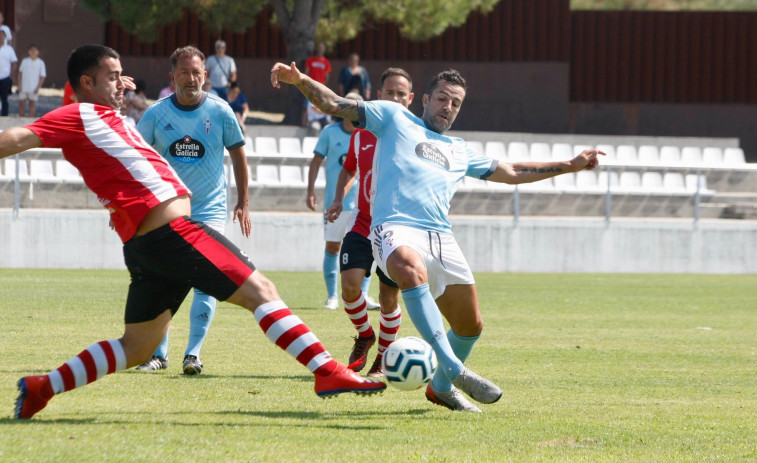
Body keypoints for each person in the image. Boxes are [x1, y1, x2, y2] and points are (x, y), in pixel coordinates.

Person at [8, 44, 385, 420]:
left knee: (138, 347)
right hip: (172, 233)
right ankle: (327, 372)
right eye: (112, 77)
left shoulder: (105, 114)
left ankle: (42, 387)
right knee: (262, 292)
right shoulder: (77, 114)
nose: (123, 83)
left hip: (149, 244)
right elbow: (18, 137)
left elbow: (104, 110)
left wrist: (113, 85)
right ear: (87, 82)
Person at [271, 62, 603, 412]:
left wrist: (570, 165)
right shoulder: (393, 118)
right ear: (425, 99)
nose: (448, 106)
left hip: (441, 237)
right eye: (442, 98)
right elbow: (335, 104)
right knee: (410, 271)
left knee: (470, 325)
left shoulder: (459, 150)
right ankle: (454, 368)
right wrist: (300, 80)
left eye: (455, 103)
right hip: (392, 228)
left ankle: (440, 388)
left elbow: (511, 172)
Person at [134, 45, 251, 375]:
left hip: (210, 211)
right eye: (183, 72)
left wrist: (243, 201)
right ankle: (158, 355)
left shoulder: (221, 111)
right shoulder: (156, 114)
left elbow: (239, 156)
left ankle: (193, 354)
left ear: (206, 75)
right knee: (164, 280)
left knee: (207, 282)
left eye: (196, 72)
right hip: (169, 211)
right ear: (172, 77)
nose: (190, 78)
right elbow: (139, 160)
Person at [325, 68, 414, 377]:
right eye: (390, 92)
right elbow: (349, 170)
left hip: (396, 230)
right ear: (379, 96)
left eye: (402, 94)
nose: (395, 98)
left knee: (389, 299)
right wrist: (339, 197)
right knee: (350, 287)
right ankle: (365, 335)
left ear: (411, 99)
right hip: (362, 224)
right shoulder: (362, 134)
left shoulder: (416, 137)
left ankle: (384, 358)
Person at [306, 93, 378, 311]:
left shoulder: (369, 134)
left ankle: (364, 294)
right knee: (332, 246)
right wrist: (310, 190)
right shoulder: (329, 132)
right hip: (334, 202)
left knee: (367, 249)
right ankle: (332, 296)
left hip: (363, 205)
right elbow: (316, 161)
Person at [18, 44, 46, 118]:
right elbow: (20, 74)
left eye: (35, 50)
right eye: (31, 50)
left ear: (38, 52)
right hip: (24, 86)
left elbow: (42, 76)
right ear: (29, 52)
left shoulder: (40, 63)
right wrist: (19, 85)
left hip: (33, 87)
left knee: (32, 103)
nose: (33, 52)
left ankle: (31, 119)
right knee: (21, 103)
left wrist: (38, 87)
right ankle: (21, 119)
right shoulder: (25, 61)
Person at [0, 30, 17, 116]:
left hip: (5, 77)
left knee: (4, 97)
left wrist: (10, 76)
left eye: (2, 35)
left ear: (5, 37)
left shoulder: (9, 49)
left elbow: (14, 63)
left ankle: (4, 115)